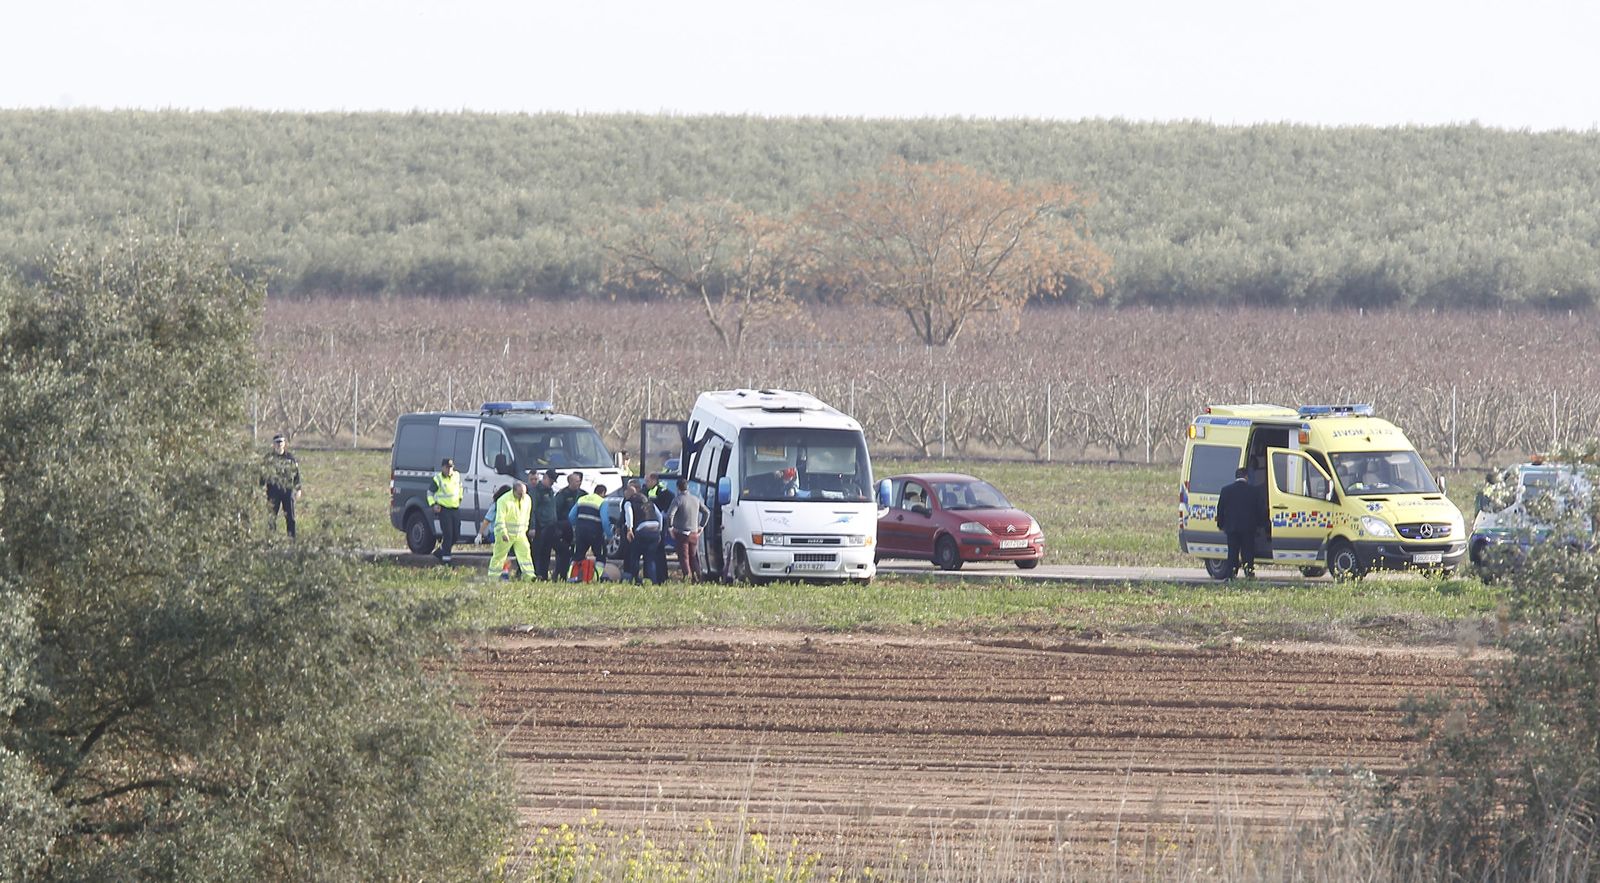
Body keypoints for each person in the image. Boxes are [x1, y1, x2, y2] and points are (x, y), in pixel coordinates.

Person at [1215, 467, 1264, 579]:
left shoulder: (1226, 490)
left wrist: (1221, 524)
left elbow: (1220, 509)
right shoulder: (1254, 491)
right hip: (1248, 528)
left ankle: (1231, 574)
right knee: (1248, 552)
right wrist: (1261, 524)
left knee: (1232, 552)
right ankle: (1249, 572)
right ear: (1246, 476)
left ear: (1236, 476)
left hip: (1232, 528)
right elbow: (1259, 510)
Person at [488, 481, 535, 581]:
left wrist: (525, 530)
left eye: (524, 493)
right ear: (513, 491)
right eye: (520, 493)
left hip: (520, 534)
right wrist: (503, 533)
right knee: (499, 556)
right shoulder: (504, 500)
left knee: (525, 553)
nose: (522, 496)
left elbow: (527, 516)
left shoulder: (527, 499)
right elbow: (500, 519)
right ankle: (493, 577)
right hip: (506, 534)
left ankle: (529, 576)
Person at [665, 478, 707, 582]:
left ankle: (687, 577)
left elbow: (670, 515)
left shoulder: (678, 500)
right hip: (694, 533)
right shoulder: (696, 499)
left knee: (684, 557)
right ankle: (697, 577)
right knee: (693, 556)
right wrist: (701, 526)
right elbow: (707, 512)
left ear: (678, 488)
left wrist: (670, 528)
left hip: (681, 533)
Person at [263, 433, 302, 538]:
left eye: (281, 442)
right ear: (273, 444)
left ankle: (292, 540)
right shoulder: (268, 459)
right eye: (277, 442)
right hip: (273, 490)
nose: (279, 444)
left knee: (290, 517)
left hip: (287, 490)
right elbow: (263, 474)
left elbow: (296, 474)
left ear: (284, 443)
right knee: (271, 517)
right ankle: (271, 540)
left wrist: (298, 488)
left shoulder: (290, 458)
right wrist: (261, 487)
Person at [622, 481, 662, 584]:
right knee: (650, 558)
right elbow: (660, 516)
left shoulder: (629, 502)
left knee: (635, 556)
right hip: (655, 529)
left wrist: (629, 529)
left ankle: (635, 579)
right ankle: (652, 581)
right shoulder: (648, 501)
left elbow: (629, 514)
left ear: (629, 493)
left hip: (642, 529)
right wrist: (659, 531)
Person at [569, 483, 609, 581]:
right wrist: (609, 535)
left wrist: (577, 525)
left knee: (578, 555)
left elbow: (571, 516)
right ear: (603, 493)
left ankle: (572, 576)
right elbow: (604, 520)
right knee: (600, 556)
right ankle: (595, 578)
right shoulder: (602, 502)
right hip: (595, 532)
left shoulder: (582, 499)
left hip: (580, 532)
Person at [428, 457, 463, 563]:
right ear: (442, 468)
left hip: (455, 509)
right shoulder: (438, 479)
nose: (449, 470)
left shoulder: (456, 476)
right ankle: (446, 561)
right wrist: (433, 505)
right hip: (444, 510)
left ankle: (441, 551)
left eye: (451, 467)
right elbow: (430, 493)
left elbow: (460, 487)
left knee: (456, 535)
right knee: (448, 535)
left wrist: (460, 498)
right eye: (447, 467)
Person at [529, 468, 561, 580]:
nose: (551, 483)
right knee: (537, 552)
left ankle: (544, 575)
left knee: (546, 553)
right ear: (545, 478)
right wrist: (532, 527)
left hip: (550, 527)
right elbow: (532, 510)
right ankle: (536, 574)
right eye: (550, 481)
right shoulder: (537, 491)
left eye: (553, 482)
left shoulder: (550, 491)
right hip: (540, 527)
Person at [552, 471, 584, 583]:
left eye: (579, 481)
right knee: (563, 554)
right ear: (570, 482)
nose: (579, 483)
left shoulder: (583, 494)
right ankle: (559, 574)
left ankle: (575, 575)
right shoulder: (562, 494)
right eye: (576, 481)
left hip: (578, 528)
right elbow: (556, 511)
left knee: (577, 553)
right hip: (564, 528)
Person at [644, 473, 674, 581]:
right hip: (650, 525)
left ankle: (661, 577)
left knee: (659, 552)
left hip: (659, 525)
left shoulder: (662, 491)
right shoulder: (647, 490)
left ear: (653, 480)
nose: (645, 483)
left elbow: (669, 502)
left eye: (647, 481)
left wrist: (664, 513)